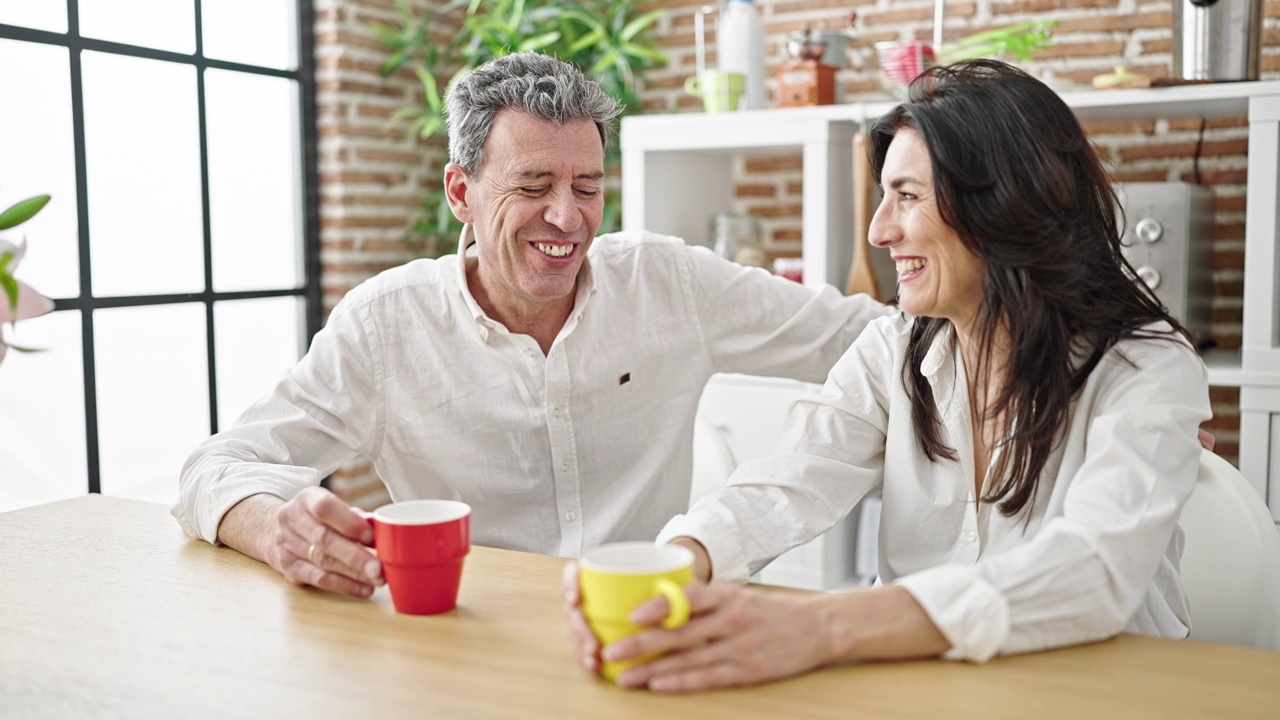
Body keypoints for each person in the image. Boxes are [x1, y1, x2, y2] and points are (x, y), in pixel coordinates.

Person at [562, 59, 1214, 692]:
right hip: (924, 690)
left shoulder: (1146, 369)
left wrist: (823, 624)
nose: (878, 231)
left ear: (1005, 205)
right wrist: (676, 564)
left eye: (905, 196)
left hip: (1105, 694)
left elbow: (1094, 572)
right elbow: (785, 482)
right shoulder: (891, 350)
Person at [171, 52, 887, 598]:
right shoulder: (387, 325)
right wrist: (276, 531)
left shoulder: (670, 282)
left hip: (636, 625)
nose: (568, 218)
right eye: (533, 186)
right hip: (468, 646)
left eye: (587, 186)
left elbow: (860, 336)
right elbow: (214, 469)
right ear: (462, 192)